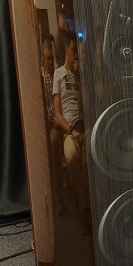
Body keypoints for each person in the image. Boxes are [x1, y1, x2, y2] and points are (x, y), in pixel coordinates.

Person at [52, 30, 84, 171]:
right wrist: (72, 131)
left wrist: (80, 72)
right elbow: (58, 116)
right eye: (73, 50)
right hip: (70, 131)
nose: (76, 55)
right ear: (66, 50)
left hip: (85, 128)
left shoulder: (81, 75)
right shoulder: (58, 74)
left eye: (77, 51)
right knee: (71, 156)